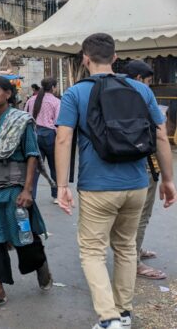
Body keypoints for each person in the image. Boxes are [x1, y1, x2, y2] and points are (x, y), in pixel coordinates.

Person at [55, 34, 176, 329]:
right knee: (125, 248)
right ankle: (124, 312)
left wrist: (61, 187)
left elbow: (63, 138)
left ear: (85, 58)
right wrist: (168, 179)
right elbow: (161, 135)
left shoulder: (75, 93)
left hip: (97, 187)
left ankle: (109, 318)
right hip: (136, 183)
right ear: (115, 56)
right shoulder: (140, 89)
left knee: (93, 252)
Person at [0, 76, 52, 312]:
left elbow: (32, 155)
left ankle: (40, 265)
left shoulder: (22, 121)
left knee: (24, 240)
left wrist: (28, 189)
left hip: (14, 189)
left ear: (8, 94)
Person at [125, 60, 166, 280]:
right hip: (145, 166)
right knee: (140, 217)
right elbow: (159, 137)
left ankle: (134, 252)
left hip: (123, 168)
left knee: (132, 218)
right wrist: (168, 178)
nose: (149, 87)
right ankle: (134, 263)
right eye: (148, 82)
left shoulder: (114, 98)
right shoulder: (143, 98)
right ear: (139, 80)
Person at [25, 77, 61, 202]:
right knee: (54, 166)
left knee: (34, 167)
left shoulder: (31, 100)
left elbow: (26, 117)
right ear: (53, 88)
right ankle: (56, 195)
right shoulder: (56, 102)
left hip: (34, 134)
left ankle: (31, 194)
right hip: (50, 135)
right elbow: (58, 122)